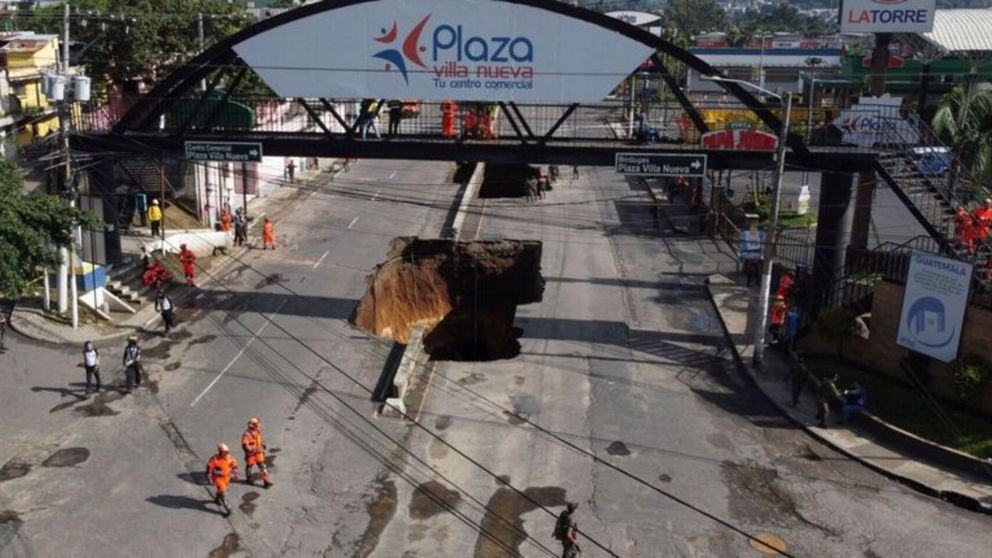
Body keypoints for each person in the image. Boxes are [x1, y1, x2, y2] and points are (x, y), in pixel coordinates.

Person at [206, 443, 239, 516]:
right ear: (220, 452)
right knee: (223, 492)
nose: (227, 453)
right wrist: (209, 478)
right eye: (225, 452)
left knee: (221, 490)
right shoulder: (215, 459)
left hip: (226, 478)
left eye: (227, 451)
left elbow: (234, 464)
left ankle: (217, 499)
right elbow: (209, 468)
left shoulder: (229, 458)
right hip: (218, 478)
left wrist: (236, 473)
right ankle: (228, 508)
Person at [242, 418, 273, 488]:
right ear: (253, 425)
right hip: (251, 454)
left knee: (262, 467)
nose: (259, 425)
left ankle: (266, 481)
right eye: (257, 424)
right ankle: (249, 479)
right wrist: (250, 450)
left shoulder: (258, 432)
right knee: (249, 467)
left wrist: (263, 444)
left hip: (259, 453)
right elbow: (245, 445)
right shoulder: (247, 434)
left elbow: (260, 440)